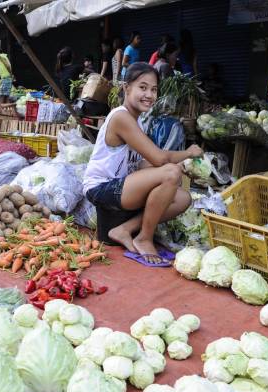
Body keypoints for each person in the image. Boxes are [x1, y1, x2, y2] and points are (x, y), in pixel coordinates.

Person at [83, 62, 203, 266]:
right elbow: (159, 158)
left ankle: (124, 229)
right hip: (101, 188)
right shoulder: (121, 117)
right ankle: (144, 237)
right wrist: (188, 153)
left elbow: (140, 164)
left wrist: (182, 168)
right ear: (126, 88)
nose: (149, 94)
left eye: (154, 89)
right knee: (170, 173)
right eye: (143, 87)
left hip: (120, 186)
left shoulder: (135, 120)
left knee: (183, 198)